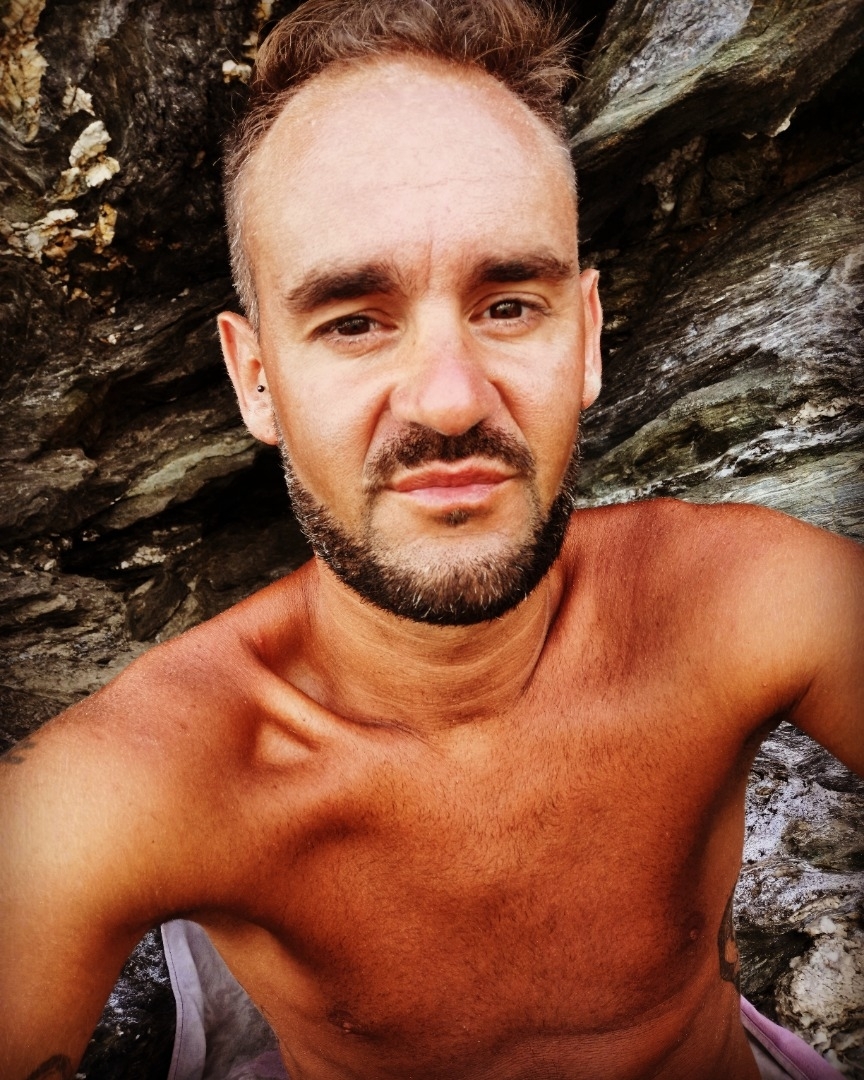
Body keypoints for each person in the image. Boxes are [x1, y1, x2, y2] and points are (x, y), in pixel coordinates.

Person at [1, 1, 861, 1078]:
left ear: (588, 336)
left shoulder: (746, 603)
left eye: (509, 306)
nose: (450, 400)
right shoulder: (140, 781)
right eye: (354, 321)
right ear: (255, 377)